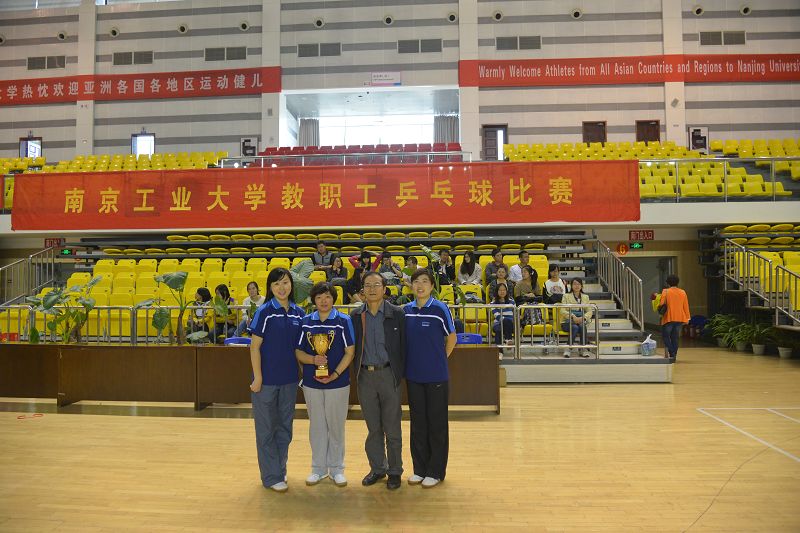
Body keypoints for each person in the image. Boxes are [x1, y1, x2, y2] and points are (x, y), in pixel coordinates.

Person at [248, 267, 305, 493]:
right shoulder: (264, 312)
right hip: (266, 382)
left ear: (292, 285)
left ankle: (279, 470)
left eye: (285, 282)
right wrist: (258, 377)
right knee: (266, 429)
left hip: (289, 380)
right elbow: (254, 347)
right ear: (270, 288)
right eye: (277, 284)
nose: (282, 288)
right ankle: (271, 476)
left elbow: (301, 349)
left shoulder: (299, 313)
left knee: (284, 429)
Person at [350, 271, 406, 491]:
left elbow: (404, 346)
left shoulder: (397, 314)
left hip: (388, 375)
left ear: (384, 288)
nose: (372, 289)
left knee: (392, 428)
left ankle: (395, 470)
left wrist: (399, 374)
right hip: (365, 376)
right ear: (362, 290)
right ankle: (377, 468)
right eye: (367, 285)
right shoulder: (356, 316)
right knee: (373, 427)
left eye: (376, 285)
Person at [295, 282, 355, 488]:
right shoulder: (306, 322)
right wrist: (313, 360)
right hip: (312, 383)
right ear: (314, 299)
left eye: (327, 296)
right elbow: (298, 352)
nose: (323, 301)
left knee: (336, 426)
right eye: (319, 297)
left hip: (338, 383)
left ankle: (337, 469)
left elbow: (350, 352)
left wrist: (335, 374)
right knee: (317, 426)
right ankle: (318, 468)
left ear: (333, 299)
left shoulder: (344, 320)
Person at [403, 268, 457, 488]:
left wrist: (440, 359)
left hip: (436, 376)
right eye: (416, 281)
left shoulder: (440, 308)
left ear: (432, 286)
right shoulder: (406, 310)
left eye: (425, 281)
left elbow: (451, 338)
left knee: (436, 424)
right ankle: (419, 469)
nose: (420, 285)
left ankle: (435, 471)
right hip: (413, 376)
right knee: (418, 423)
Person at [559, 278, 593, 358]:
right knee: (574, 327)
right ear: (571, 286)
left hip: (581, 320)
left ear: (581, 286)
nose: (576, 286)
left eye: (578, 284)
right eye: (574, 284)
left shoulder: (585, 297)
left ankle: (583, 349)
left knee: (582, 326)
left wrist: (583, 318)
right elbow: (562, 310)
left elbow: (589, 311)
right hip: (567, 321)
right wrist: (572, 316)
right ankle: (568, 348)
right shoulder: (566, 296)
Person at [659, 274, 690, 360]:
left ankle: (671, 352)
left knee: (665, 336)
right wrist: (687, 318)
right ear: (677, 282)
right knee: (675, 337)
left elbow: (661, 304)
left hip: (668, 318)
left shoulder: (665, 291)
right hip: (679, 318)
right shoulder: (683, 292)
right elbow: (686, 306)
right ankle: (674, 354)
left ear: (668, 283)